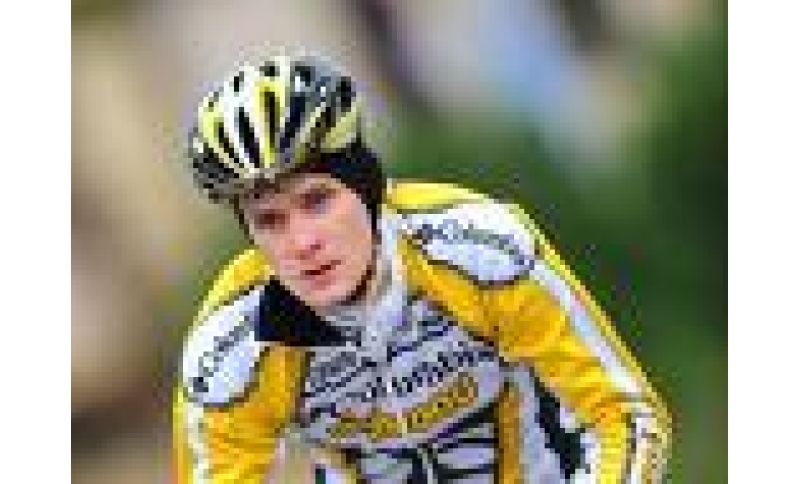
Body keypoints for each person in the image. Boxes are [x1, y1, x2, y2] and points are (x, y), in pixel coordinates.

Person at [171, 55, 671, 483]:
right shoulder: (230, 350)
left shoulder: (479, 251)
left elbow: (625, 416)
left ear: (366, 187)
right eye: (269, 220)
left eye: (317, 200)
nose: (303, 242)